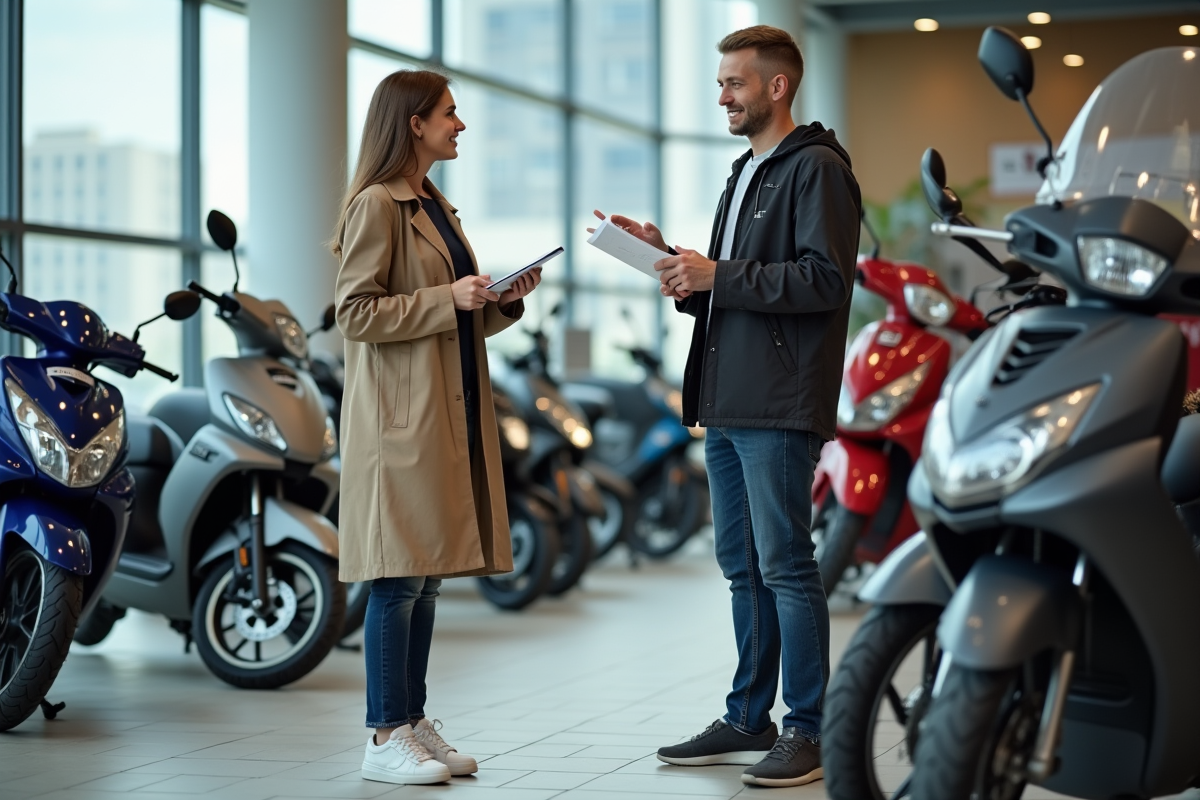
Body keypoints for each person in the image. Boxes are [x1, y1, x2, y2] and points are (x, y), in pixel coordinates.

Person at [595, 25, 861, 788]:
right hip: (728, 399)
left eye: (734, 83)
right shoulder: (745, 172)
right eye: (720, 83)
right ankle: (750, 717)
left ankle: (806, 731)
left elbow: (823, 282)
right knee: (742, 567)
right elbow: (733, 287)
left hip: (777, 403)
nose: (722, 96)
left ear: (777, 86)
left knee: (786, 565)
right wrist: (672, 262)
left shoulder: (816, 170)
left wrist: (719, 274)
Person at [331, 69, 541, 786]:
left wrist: (499, 301)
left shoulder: (434, 205)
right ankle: (383, 733)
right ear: (413, 123)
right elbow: (355, 313)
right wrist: (444, 296)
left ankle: (411, 718)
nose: (461, 124)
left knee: (423, 578)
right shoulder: (377, 206)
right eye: (450, 113)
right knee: (398, 576)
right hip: (401, 418)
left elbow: (453, 312)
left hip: (445, 408)